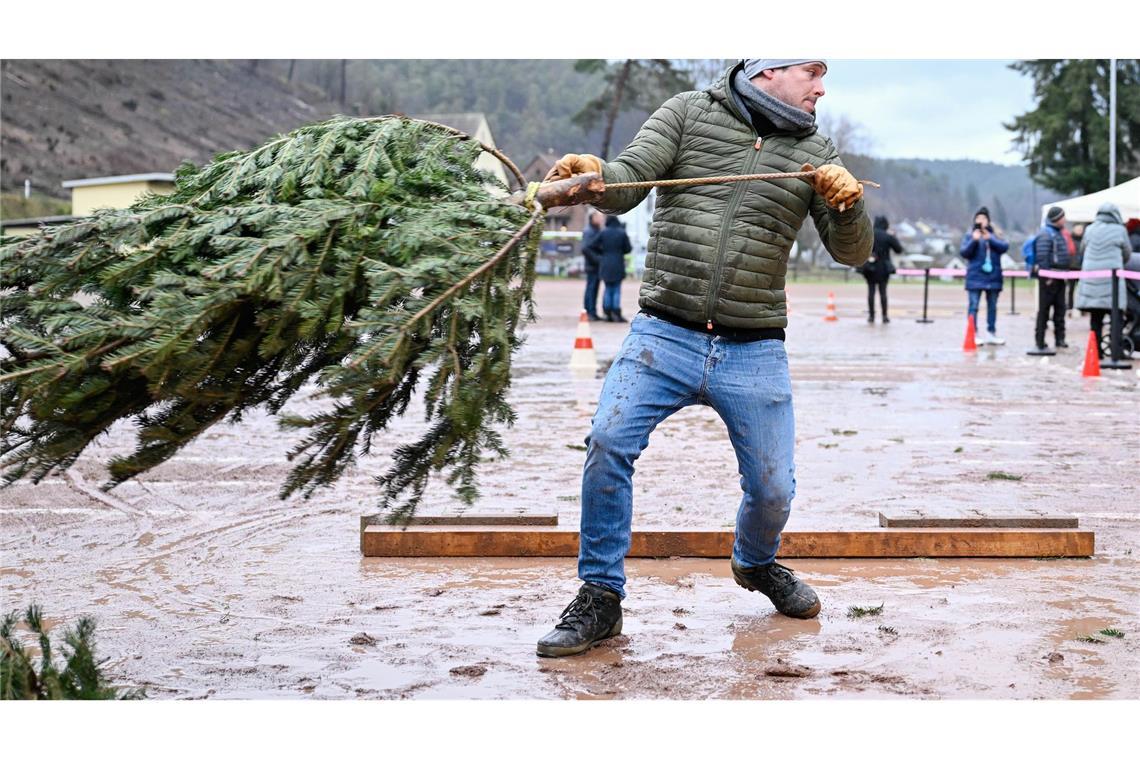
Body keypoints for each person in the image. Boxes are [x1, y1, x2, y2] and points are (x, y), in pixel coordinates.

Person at [536, 58, 871, 657]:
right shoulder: (688, 112)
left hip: (755, 344)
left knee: (773, 490)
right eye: (813, 73)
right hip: (664, 333)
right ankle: (600, 596)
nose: (822, 89)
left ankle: (756, 563)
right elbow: (629, 180)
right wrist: (595, 174)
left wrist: (847, 206)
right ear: (770, 70)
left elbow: (852, 254)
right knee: (608, 444)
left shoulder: (818, 148)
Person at [1075, 203, 1132, 357]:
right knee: (1116, 318)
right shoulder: (1120, 230)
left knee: (1096, 318)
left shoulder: (1090, 229)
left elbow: (1083, 249)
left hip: (1092, 280)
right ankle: (1116, 351)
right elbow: (1127, 253)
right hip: (1112, 281)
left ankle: (1096, 352)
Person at [958, 206, 1009, 345]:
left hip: (993, 277)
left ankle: (991, 333)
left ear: (988, 221)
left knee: (992, 306)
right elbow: (964, 253)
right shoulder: (969, 235)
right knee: (973, 306)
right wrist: (974, 240)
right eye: (978, 218)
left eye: (983, 218)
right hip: (975, 277)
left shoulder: (995, 235)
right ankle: (973, 333)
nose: (981, 221)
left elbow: (1004, 247)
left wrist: (990, 238)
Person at [1033, 206, 1072, 350]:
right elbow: (1042, 256)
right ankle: (1040, 340)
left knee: (1060, 309)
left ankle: (1060, 339)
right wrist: (1047, 276)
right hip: (1049, 279)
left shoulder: (1059, 233)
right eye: (1063, 217)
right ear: (1057, 218)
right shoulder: (1046, 234)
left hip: (1060, 277)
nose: (1065, 219)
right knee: (1044, 310)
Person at [584, 214, 632, 322]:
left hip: (605, 264)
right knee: (616, 289)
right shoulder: (622, 232)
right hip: (618, 263)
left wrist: (602, 253)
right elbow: (628, 248)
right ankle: (616, 312)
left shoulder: (603, 232)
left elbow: (590, 245)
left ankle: (607, 313)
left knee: (607, 288)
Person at [861, 215, 901, 323]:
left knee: (871, 292)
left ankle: (871, 316)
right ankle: (884, 316)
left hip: (869, 267)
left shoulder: (868, 234)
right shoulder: (887, 236)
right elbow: (899, 250)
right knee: (883, 293)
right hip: (883, 268)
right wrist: (894, 236)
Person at [580, 210, 606, 321]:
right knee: (591, 289)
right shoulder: (589, 231)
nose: (602, 219)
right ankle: (589, 312)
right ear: (593, 218)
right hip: (592, 266)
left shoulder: (595, 230)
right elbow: (585, 248)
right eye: (600, 217)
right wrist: (597, 259)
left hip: (595, 265)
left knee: (594, 289)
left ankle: (592, 312)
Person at [1066, 222, 1086, 313]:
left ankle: (1082, 307)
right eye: (1078, 229)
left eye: (1081, 229)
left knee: (1082, 289)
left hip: (1081, 267)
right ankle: (1070, 307)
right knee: (1071, 289)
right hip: (1072, 267)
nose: (1079, 231)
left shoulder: (1084, 240)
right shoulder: (1069, 240)